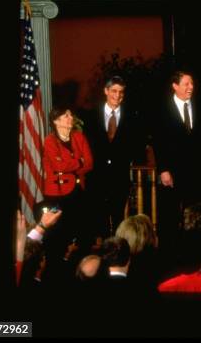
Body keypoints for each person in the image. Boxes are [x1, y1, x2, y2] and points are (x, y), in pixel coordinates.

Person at [152, 70, 201, 258]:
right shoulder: (161, 109)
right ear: (175, 86)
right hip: (172, 172)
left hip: (197, 172)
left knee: (195, 214)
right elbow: (159, 142)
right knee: (170, 214)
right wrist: (164, 169)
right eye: (186, 84)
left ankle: (195, 251)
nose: (190, 87)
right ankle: (169, 254)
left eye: (192, 84)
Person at [83, 75, 144, 239]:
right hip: (96, 176)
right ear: (106, 91)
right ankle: (103, 252)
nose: (117, 96)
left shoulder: (132, 116)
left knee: (118, 217)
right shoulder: (90, 115)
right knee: (99, 218)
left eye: (121, 92)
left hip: (120, 176)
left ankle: (117, 252)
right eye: (114, 91)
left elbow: (137, 144)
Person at [42, 107, 93, 280]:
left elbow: (90, 163)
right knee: (57, 235)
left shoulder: (79, 137)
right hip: (56, 193)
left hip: (78, 191)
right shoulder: (49, 141)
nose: (70, 118)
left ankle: (78, 271)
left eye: (71, 115)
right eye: (65, 116)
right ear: (56, 121)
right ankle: (54, 273)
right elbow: (58, 166)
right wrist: (78, 161)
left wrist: (71, 163)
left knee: (81, 232)